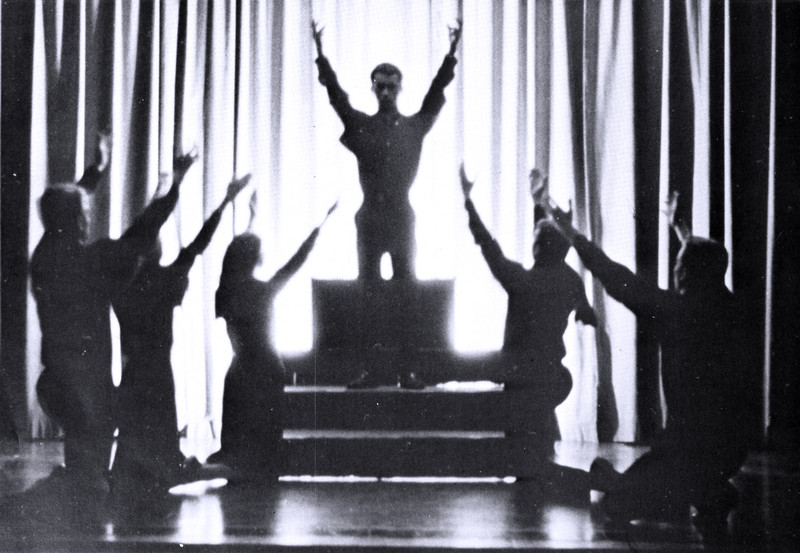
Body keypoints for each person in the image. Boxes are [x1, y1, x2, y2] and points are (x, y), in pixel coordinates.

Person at [535, 186, 759, 538]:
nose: (675, 271)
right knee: (657, 482)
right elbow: (707, 265)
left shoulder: (673, 311)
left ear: (684, 274)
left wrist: (567, 229)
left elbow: (613, 275)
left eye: (678, 265)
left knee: (614, 506)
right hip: (732, 451)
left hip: (684, 452)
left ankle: (704, 491)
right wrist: (681, 230)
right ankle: (708, 489)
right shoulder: (731, 309)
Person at [30, 135, 195, 488]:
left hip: (56, 379)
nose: (89, 220)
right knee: (91, 474)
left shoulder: (43, 257)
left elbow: (58, 214)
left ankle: (83, 486)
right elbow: (142, 231)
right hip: (88, 385)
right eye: (86, 214)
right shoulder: (91, 261)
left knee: (82, 462)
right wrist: (176, 184)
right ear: (78, 221)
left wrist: (96, 171)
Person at [111, 171, 251, 493]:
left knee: (135, 443)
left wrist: (159, 197)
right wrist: (226, 201)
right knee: (161, 443)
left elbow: (144, 234)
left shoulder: (122, 287)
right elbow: (199, 244)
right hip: (158, 371)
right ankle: (179, 471)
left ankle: (145, 476)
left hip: (134, 373)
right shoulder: (166, 280)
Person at [312, 19, 462, 281]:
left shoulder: (413, 127)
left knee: (406, 288)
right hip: (369, 218)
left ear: (399, 88)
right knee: (367, 289)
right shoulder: (362, 126)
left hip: (401, 219)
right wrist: (320, 54)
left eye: (391, 87)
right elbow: (338, 97)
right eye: (380, 86)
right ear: (372, 88)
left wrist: (451, 53)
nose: (385, 92)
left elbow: (435, 93)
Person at [460, 166, 597, 452]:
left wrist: (468, 202)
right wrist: (540, 206)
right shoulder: (571, 281)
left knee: (521, 434)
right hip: (551, 374)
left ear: (537, 249)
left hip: (518, 374)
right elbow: (550, 248)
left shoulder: (521, 280)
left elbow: (488, 245)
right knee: (542, 426)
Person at [206, 196, 334, 481]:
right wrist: (321, 225)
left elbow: (237, 253)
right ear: (254, 258)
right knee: (264, 438)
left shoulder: (224, 292)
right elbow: (295, 262)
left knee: (240, 438)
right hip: (266, 368)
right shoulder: (262, 291)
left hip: (240, 369)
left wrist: (251, 219)